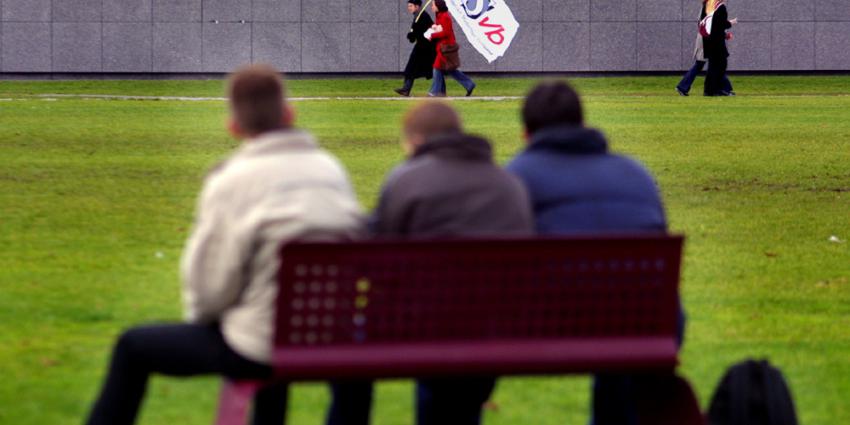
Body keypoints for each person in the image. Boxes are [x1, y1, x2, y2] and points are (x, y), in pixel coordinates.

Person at [84, 64, 364, 425]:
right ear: (289, 114)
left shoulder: (231, 181)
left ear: (233, 126)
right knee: (263, 320)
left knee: (132, 347)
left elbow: (209, 287)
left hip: (261, 344)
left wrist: (207, 321)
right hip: (327, 337)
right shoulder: (331, 170)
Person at [327, 100, 534, 425]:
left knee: (348, 357)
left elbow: (374, 258)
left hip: (413, 324)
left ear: (416, 141)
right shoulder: (508, 184)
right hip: (492, 331)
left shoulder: (407, 179)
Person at [506, 81, 683, 425]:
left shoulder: (517, 175)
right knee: (619, 327)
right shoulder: (636, 173)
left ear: (526, 133)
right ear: (583, 123)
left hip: (552, 324)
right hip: (650, 322)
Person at [675, 0, 734, 96]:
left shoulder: (708, 6)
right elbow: (713, 25)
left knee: (714, 63)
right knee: (710, 63)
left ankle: (724, 88)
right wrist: (727, 27)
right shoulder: (711, 6)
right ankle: (683, 86)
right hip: (705, 39)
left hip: (705, 38)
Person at [426, 0, 476, 97]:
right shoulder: (440, 15)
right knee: (448, 69)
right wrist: (435, 27)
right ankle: (468, 84)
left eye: (433, 5)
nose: (431, 7)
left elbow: (446, 33)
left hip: (446, 48)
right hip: (443, 47)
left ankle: (435, 92)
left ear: (438, 6)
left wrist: (432, 35)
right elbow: (442, 29)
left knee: (437, 67)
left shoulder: (445, 16)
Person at [395, 0, 437, 97]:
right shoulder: (418, 16)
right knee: (411, 69)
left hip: (425, 48)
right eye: (408, 6)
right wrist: (412, 35)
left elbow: (422, 32)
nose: (409, 8)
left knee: (434, 70)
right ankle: (406, 89)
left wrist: (412, 35)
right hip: (421, 47)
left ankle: (440, 90)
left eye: (411, 6)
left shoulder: (423, 16)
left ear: (417, 6)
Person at [703, 0, 737, 96]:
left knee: (712, 66)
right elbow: (721, 24)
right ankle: (718, 89)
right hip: (717, 42)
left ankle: (709, 90)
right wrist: (730, 23)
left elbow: (712, 24)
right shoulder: (721, 7)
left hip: (709, 40)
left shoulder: (709, 6)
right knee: (721, 65)